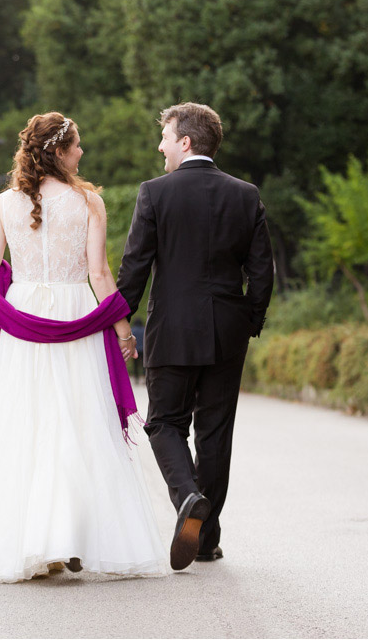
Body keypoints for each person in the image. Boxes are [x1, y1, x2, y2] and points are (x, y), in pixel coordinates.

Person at [0, 113, 167, 582]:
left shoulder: (4, 203)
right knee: (79, 422)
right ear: (60, 151)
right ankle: (75, 536)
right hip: (73, 314)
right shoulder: (88, 202)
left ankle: (32, 544)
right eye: (77, 145)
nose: (82, 152)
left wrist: (19, 285)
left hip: (23, 316)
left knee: (27, 425)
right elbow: (100, 275)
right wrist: (125, 330)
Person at [117, 103, 274, 569]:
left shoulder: (155, 194)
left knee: (164, 422)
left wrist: (115, 321)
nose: (160, 146)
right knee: (215, 434)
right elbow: (262, 272)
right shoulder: (246, 195)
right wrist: (250, 322)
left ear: (185, 142)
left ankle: (187, 497)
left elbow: (135, 268)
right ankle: (205, 539)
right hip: (228, 330)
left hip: (172, 328)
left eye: (165, 137)